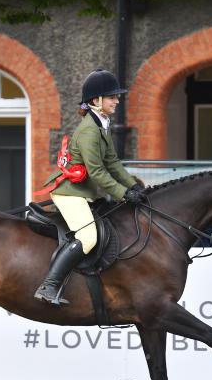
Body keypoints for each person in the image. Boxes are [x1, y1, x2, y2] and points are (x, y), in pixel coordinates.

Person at [33, 68, 144, 305]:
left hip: (85, 193)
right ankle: (49, 286)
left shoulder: (101, 126)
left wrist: (134, 187)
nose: (117, 100)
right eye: (112, 96)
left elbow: (113, 162)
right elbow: (97, 172)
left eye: (116, 96)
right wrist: (123, 193)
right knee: (88, 236)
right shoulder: (88, 132)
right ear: (96, 101)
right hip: (70, 194)